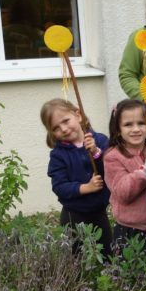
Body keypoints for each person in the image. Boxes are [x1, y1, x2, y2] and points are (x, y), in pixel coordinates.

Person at [103, 99, 146, 281]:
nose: (136, 129)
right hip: (131, 230)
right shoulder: (113, 157)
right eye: (128, 124)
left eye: (141, 123)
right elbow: (123, 192)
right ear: (117, 128)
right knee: (133, 279)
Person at [41, 99, 111, 255]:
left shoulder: (100, 140)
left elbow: (111, 168)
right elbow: (59, 186)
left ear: (78, 115)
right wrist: (87, 187)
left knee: (108, 254)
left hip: (99, 211)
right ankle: (76, 279)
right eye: (56, 128)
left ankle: (110, 278)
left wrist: (95, 152)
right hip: (74, 215)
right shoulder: (58, 155)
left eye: (66, 121)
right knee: (76, 258)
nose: (64, 129)